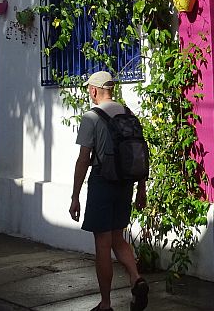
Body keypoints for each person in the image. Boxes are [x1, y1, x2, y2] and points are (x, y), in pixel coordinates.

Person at [70, 70, 149, 311]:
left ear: (94, 91)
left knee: (103, 244)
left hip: (103, 183)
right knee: (118, 236)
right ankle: (136, 278)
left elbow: (84, 159)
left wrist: (75, 197)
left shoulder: (91, 117)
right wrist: (141, 190)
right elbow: (140, 154)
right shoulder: (128, 114)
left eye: (88, 90)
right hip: (126, 184)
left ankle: (105, 304)